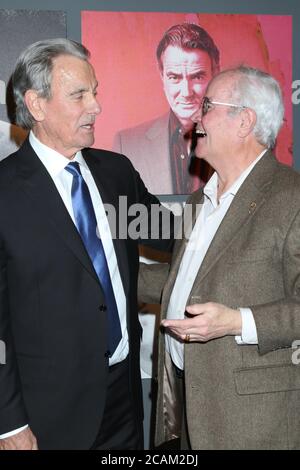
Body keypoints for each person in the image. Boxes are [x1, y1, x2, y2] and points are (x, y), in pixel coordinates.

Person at [0, 38, 173, 450]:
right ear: (36, 105)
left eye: (94, 92)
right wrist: (8, 423)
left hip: (125, 400)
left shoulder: (115, 174)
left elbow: (170, 235)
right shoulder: (4, 193)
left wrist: (231, 192)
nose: (95, 106)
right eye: (79, 95)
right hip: (47, 416)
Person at [139, 66, 300, 449]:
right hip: (189, 407)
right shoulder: (200, 201)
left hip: (254, 422)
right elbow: (187, 282)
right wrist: (106, 272)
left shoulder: (292, 197)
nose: (196, 115)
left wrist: (236, 322)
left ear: (244, 121)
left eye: (208, 105)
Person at [113, 23, 220, 194]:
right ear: (162, 77)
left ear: (216, 74)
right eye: (174, 77)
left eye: (197, 76)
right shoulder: (126, 145)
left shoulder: (244, 139)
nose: (186, 92)